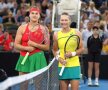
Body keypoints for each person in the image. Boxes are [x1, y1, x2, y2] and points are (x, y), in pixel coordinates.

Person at [14, 6, 50, 75]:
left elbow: (47, 47)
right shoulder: (21, 28)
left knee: (38, 85)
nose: (34, 15)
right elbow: (16, 45)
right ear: (29, 15)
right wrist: (26, 48)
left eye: (36, 13)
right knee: (23, 85)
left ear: (39, 16)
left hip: (38, 58)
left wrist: (34, 44)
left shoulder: (44, 29)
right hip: (24, 57)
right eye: (32, 13)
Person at [52, 12, 84, 90]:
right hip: (62, 65)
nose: (64, 22)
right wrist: (59, 59)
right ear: (60, 21)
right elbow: (54, 50)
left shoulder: (77, 33)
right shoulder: (56, 35)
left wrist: (72, 53)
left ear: (69, 21)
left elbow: (82, 49)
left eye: (66, 20)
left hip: (75, 65)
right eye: (62, 20)